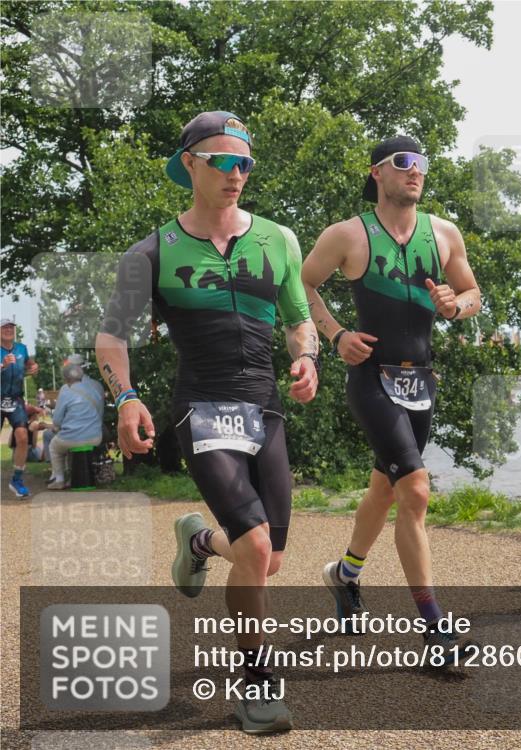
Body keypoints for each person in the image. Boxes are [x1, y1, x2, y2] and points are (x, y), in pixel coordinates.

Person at [95, 111, 319, 733]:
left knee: (266, 558)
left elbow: (299, 318)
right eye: (222, 160)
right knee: (252, 545)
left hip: (264, 406)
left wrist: (307, 356)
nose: (236, 173)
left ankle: (199, 542)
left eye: (244, 162)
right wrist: (127, 399)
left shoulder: (278, 238)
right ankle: (257, 685)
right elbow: (110, 339)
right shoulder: (152, 251)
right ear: (188, 163)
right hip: (202, 407)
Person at [302, 135, 481, 658]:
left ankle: (345, 573)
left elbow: (473, 294)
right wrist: (335, 336)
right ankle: (436, 630)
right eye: (404, 162)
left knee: (386, 489)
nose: (416, 171)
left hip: (421, 382)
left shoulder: (444, 234)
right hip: (371, 378)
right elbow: (301, 283)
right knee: (417, 490)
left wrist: (455, 308)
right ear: (377, 173)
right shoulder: (347, 235)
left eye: (422, 163)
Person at [45, 362, 104, 489]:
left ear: (66, 379)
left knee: (54, 447)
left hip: (73, 438)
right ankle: (73, 478)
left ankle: (59, 479)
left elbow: (57, 420)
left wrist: (59, 426)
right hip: (96, 437)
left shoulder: (66, 390)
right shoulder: (94, 388)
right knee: (69, 442)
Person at [1, 318, 39, 497]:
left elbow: (29, 365)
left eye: (11, 327)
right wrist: (3, 365)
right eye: (4, 327)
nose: (8, 330)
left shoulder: (21, 348)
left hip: (15, 399)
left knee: (23, 437)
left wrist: (34, 367)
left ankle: (17, 480)